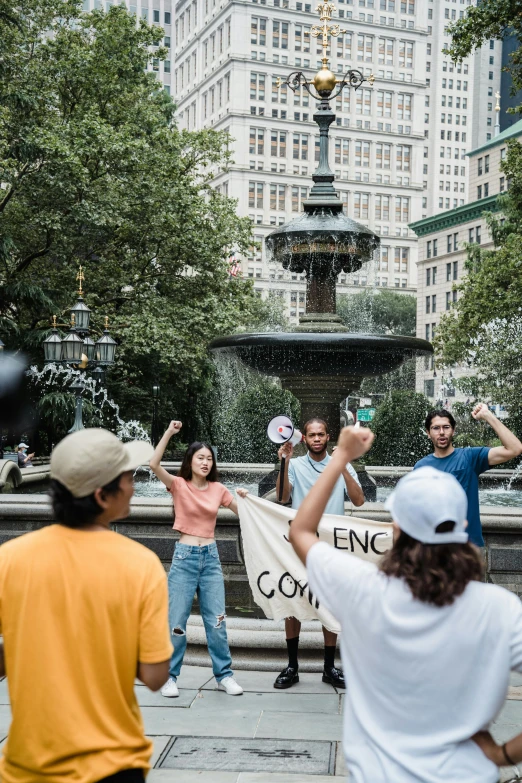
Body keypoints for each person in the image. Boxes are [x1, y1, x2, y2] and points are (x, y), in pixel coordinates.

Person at [289, 425, 522, 783]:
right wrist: (504, 753)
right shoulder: (501, 608)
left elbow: (301, 532)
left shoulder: (362, 590)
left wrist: (341, 456)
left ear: (396, 526)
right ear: (461, 524)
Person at [0, 428, 172, 783]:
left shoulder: (9, 559)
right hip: (112, 764)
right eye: (127, 477)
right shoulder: (140, 565)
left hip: (27, 767)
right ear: (101, 495)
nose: (133, 485)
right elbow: (156, 676)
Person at [150, 420, 247, 699]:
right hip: (185, 558)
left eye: (209, 458)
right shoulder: (179, 485)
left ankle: (224, 676)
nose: (205, 462)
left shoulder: (218, 489)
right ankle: (169, 676)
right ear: (190, 461)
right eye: (200, 458)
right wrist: (169, 431)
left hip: (211, 558)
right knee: (176, 621)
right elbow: (153, 464)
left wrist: (246, 498)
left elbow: (244, 513)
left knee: (217, 621)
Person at [274, 417, 365, 690]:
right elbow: (281, 497)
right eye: (311, 435)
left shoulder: (341, 463)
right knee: (292, 601)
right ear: (304, 437)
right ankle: (292, 666)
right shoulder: (296, 464)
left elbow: (359, 500)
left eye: (321, 434)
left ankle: (329, 668)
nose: (316, 439)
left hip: (332, 545)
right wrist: (284, 461)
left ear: (328, 437)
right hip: (300, 543)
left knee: (331, 603)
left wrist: (343, 465)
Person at [414, 403, 522, 547]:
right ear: (428, 433)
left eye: (446, 427)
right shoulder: (421, 467)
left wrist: (487, 416)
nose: (441, 432)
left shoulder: (470, 457)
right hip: (433, 550)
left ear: (453, 430)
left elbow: (514, 449)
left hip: (469, 548)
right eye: (435, 428)